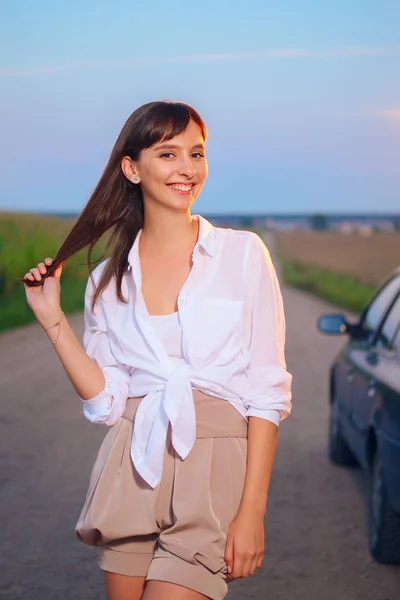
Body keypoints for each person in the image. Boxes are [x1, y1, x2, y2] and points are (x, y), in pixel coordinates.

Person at [22, 100, 293, 600]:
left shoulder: (243, 254)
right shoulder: (107, 279)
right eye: (168, 155)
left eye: (196, 154)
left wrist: (251, 511)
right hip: (131, 462)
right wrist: (52, 318)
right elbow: (106, 402)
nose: (187, 169)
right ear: (132, 168)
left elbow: (266, 392)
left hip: (214, 468)